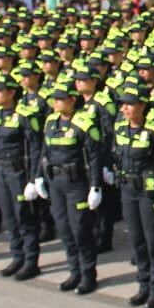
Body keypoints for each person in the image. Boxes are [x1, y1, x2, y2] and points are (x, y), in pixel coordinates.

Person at [112, 85, 154, 307]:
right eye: (123, 104)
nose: (124, 108)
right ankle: (144, 284)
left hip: (150, 194)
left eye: (130, 104)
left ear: (142, 105)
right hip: (128, 191)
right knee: (137, 240)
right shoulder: (121, 129)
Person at [39, 84, 104, 294]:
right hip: (55, 181)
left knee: (80, 229)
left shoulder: (84, 123)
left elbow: (94, 156)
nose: (55, 103)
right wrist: (38, 176)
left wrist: (95, 185)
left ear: (72, 100)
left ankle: (88, 274)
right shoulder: (51, 121)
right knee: (64, 229)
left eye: (60, 99)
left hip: (76, 182)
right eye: (54, 99)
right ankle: (74, 271)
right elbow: (44, 150)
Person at [0, 78, 43, 278]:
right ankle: (17, 256)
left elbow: (35, 148)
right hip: (1, 170)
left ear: (11, 93)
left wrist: (35, 178)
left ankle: (30, 261)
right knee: (9, 217)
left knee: (24, 217)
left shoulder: (25, 115)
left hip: (18, 172)